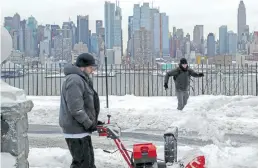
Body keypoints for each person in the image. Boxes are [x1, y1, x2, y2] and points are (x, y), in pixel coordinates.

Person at [59, 53, 103, 168]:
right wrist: (88, 123)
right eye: (90, 67)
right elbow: (76, 108)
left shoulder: (80, 79)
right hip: (76, 131)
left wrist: (92, 121)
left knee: (87, 163)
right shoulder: (75, 80)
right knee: (83, 164)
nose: (92, 70)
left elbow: (84, 105)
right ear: (82, 67)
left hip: (81, 129)